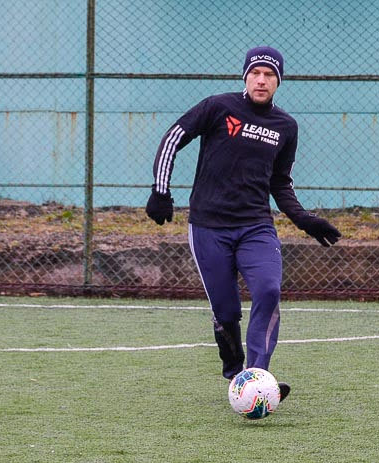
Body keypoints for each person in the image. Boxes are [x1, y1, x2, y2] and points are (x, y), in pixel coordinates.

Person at [145, 46, 341, 401]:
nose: (262, 80)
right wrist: (161, 191)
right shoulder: (218, 107)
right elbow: (173, 139)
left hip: (256, 227)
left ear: (279, 81)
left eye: (269, 74)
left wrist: (304, 220)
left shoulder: (286, 126)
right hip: (208, 227)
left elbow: (280, 182)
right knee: (226, 311)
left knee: (268, 290)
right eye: (256, 73)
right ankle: (236, 368)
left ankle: (258, 376)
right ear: (246, 76)